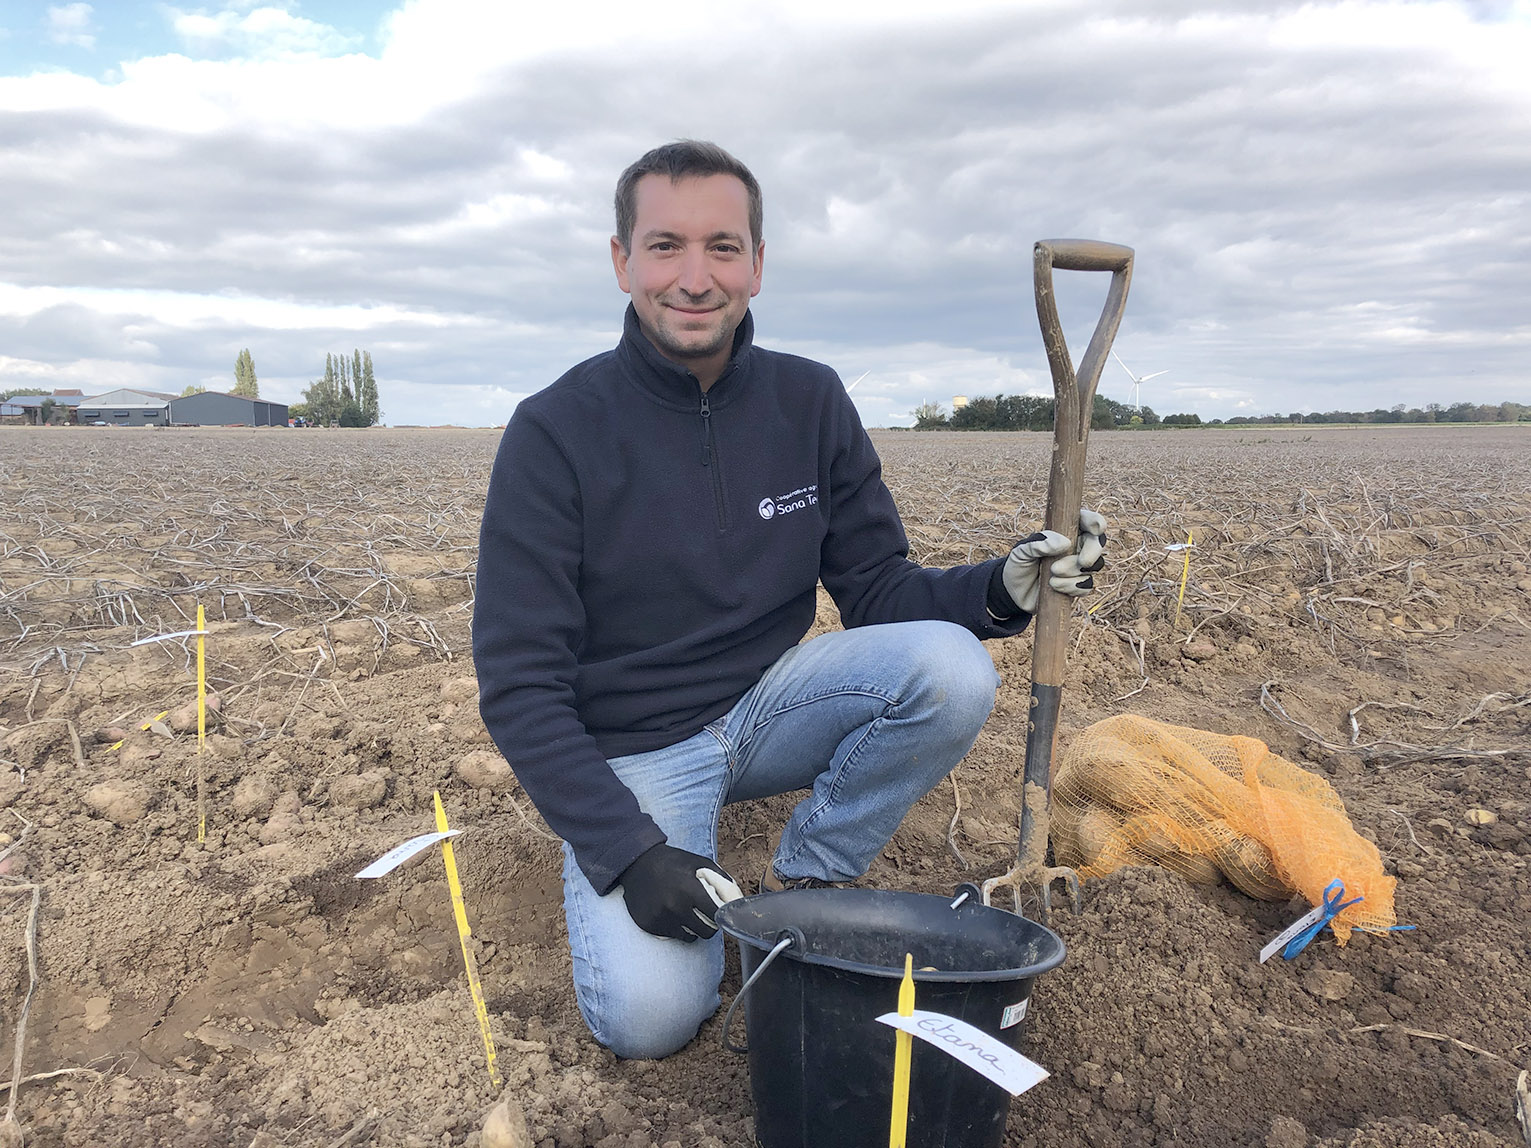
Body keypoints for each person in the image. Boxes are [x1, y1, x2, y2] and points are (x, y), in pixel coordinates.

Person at [473, 140, 1105, 1059]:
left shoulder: (809, 401)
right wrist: (630, 850)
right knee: (650, 1021)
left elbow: (879, 589)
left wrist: (998, 591)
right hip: (636, 752)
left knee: (950, 668)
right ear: (621, 260)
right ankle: (663, 856)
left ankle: (805, 879)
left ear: (758, 264)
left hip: (769, 707)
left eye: (723, 247)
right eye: (665, 247)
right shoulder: (554, 433)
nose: (695, 277)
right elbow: (518, 686)